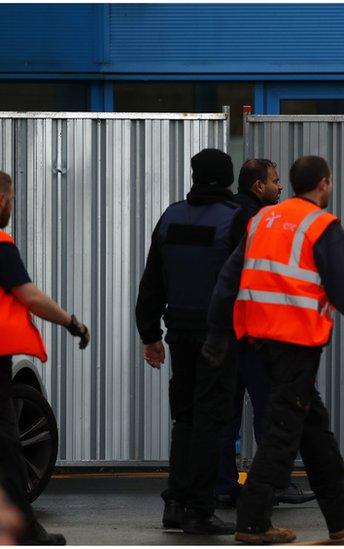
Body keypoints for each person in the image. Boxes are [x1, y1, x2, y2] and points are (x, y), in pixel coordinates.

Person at [207, 155, 344, 544]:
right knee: (283, 432)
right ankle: (252, 522)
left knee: (312, 427)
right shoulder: (320, 225)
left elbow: (228, 278)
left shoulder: (262, 220)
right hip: (294, 343)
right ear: (324, 184)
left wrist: (217, 334)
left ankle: (342, 516)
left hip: (255, 341)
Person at [135, 148, 244, 535]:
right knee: (211, 420)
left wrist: (150, 336)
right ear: (228, 178)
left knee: (185, 418)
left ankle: (176, 504)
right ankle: (200, 508)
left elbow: (152, 283)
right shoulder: (235, 220)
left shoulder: (171, 216)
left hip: (179, 334)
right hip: (219, 337)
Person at [215, 159, 314, 508]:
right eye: (274, 181)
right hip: (256, 332)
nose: (280, 187)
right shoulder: (259, 220)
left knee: (227, 413)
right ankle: (275, 482)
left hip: (226, 331)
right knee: (271, 408)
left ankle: (224, 483)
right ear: (258, 186)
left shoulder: (226, 215)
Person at [0, 170, 90, 544]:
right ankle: (25, 530)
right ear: (3, 201)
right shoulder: (0, 244)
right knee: (7, 446)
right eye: (13, 199)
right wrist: (72, 323)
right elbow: (30, 296)